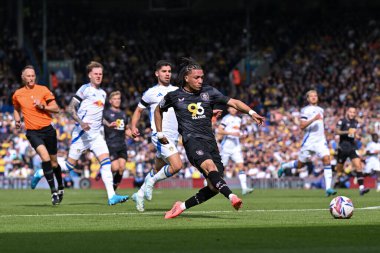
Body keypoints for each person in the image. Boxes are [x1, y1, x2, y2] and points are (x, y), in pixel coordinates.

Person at [155, 57, 265, 219]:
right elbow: (158, 110)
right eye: (196, 78)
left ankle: (181, 206)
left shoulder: (209, 92)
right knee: (210, 168)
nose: (200, 81)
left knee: (214, 186)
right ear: (186, 78)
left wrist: (252, 113)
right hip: (192, 140)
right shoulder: (174, 96)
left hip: (210, 142)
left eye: (202, 77)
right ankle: (232, 197)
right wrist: (159, 132)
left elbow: (233, 102)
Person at [66, 61, 129, 205]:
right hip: (82, 134)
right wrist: (81, 123)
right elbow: (70, 109)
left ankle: (112, 196)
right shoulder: (84, 89)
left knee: (106, 162)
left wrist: (108, 123)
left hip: (95, 136)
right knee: (69, 166)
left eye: (100, 74)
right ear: (89, 75)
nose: (99, 76)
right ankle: (42, 172)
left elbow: (99, 116)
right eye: (96, 74)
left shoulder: (103, 93)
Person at [130, 60, 183, 212]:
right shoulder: (151, 93)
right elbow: (138, 110)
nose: (167, 74)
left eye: (169, 71)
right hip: (160, 135)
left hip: (173, 136)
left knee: (157, 168)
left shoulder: (177, 91)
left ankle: (139, 194)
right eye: (164, 71)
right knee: (177, 166)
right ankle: (151, 182)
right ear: (157, 73)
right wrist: (133, 126)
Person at [12, 65, 64, 205]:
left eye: (33, 75)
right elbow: (16, 109)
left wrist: (43, 107)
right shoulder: (18, 94)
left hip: (48, 130)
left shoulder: (43, 90)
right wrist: (17, 120)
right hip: (32, 132)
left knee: (54, 162)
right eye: (28, 76)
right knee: (45, 158)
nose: (31, 78)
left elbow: (56, 108)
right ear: (23, 78)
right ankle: (53, 192)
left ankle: (60, 186)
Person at [278, 90, 337, 197]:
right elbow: (302, 126)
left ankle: (328, 188)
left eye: (315, 95)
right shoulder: (305, 110)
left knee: (327, 159)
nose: (314, 97)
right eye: (311, 96)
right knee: (300, 165)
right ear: (308, 99)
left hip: (320, 141)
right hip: (309, 141)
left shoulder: (321, 110)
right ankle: (285, 166)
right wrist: (314, 119)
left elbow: (320, 126)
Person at [218, 106, 253, 195]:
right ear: (228, 109)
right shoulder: (226, 118)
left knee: (241, 166)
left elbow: (238, 131)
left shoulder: (238, 119)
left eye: (235, 108)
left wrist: (241, 135)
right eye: (231, 108)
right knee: (221, 169)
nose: (233, 110)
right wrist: (231, 133)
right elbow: (219, 131)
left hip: (236, 147)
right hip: (226, 147)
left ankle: (244, 188)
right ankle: (211, 184)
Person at [334, 107, 369, 195]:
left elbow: (353, 133)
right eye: (351, 112)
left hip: (352, 147)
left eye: (354, 112)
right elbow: (337, 131)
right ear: (347, 112)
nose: (352, 114)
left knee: (358, 165)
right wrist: (347, 131)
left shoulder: (355, 122)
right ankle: (335, 182)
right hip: (343, 148)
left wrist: (358, 137)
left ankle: (361, 188)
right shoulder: (342, 121)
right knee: (339, 170)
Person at [102, 91, 131, 190]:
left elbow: (126, 129)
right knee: (115, 168)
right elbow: (100, 120)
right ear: (110, 101)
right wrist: (107, 124)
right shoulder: (106, 113)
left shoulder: (123, 114)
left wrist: (133, 134)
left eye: (118, 99)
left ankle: (113, 189)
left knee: (122, 168)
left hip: (122, 144)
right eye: (115, 99)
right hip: (111, 144)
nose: (117, 101)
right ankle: (103, 170)